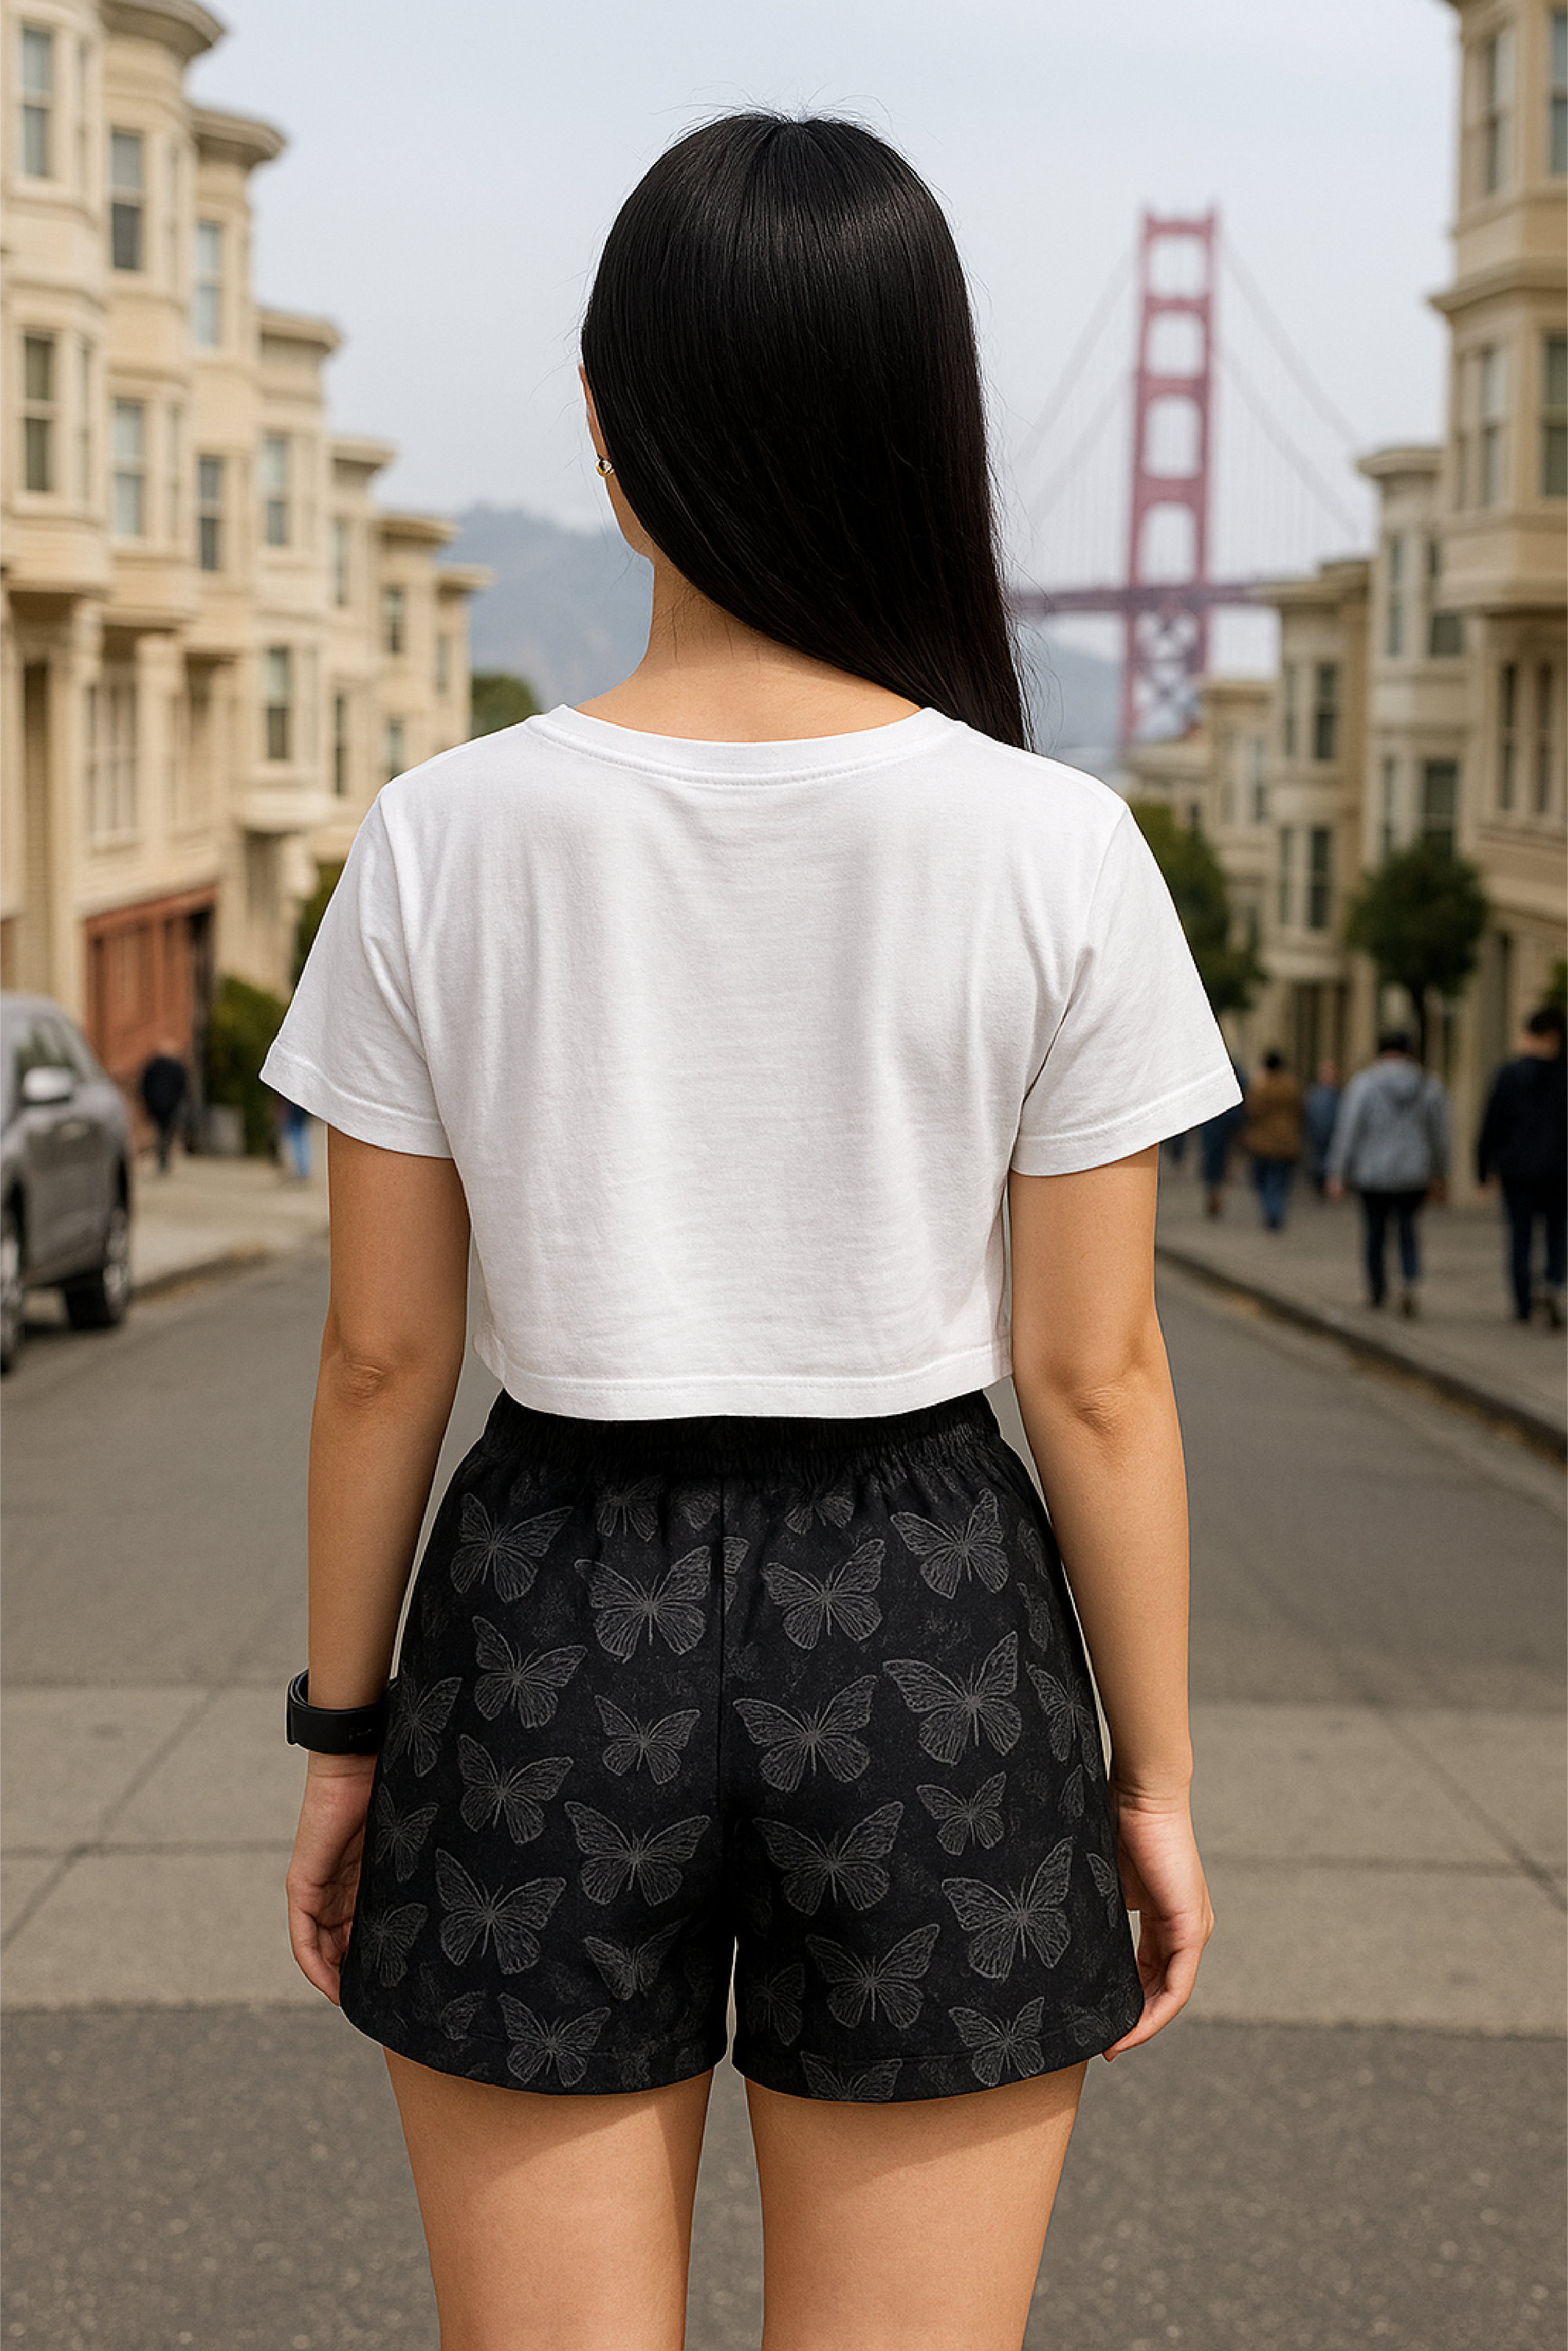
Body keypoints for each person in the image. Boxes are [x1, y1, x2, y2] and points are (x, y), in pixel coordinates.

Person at [263, 115, 1240, 2349]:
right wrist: (1152, 1780)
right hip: (930, 1618)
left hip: (543, 1611)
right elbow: (1096, 1374)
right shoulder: (1058, 847)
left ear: (610, 430)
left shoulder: (442, 837)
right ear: (923, 426)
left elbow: (380, 1360)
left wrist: (344, 1733)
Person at [1327, 1030, 1450, 1316]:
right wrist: (1441, 1172)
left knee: (1375, 1232)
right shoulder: (1428, 1085)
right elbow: (1440, 1134)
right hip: (1413, 1173)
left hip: (1373, 1174)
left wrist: (1337, 1172)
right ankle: (1409, 1282)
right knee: (1408, 1228)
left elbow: (1349, 1130)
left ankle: (1378, 1288)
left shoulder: (1364, 1085)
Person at [1475, 1005, 1568, 1326]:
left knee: (1520, 1237)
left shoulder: (1509, 1074)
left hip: (1517, 1169)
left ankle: (1523, 1302)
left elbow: (1492, 1123)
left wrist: (1483, 1168)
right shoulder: (1564, 1076)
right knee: (1558, 1234)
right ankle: (1553, 1283)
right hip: (1559, 1170)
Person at [1243, 1050, 1303, 1231]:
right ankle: (1277, 1210)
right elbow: (1301, 1111)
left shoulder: (1261, 1086)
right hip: (1287, 1142)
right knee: (1279, 1180)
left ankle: (1272, 1212)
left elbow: (1251, 1111)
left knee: (1264, 1180)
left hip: (1263, 1144)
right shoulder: (1292, 1085)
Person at [1198, 1061, 1248, 1217]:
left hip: (1214, 1130)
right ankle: (1217, 1195)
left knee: (1213, 1164)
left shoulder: (1210, 1079)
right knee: (1224, 1166)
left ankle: (1214, 1194)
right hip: (1228, 1130)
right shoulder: (1237, 1078)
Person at [138, 1039, 187, 1174]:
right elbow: (183, 1086)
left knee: (160, 1133)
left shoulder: (153, 1066)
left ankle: (162, 1158)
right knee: (166, 1133)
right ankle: (164, 1158)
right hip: (169, 1105)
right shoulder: (176, 1067)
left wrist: (146, 1102)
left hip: (158, 1105)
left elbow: (144, 1085)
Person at [1302, 1058, 1341, 1196]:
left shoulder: (1338, 1094)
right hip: (1316, 1134)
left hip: (1331, 1134)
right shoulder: (1314, 1093)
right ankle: (1319, 1182)